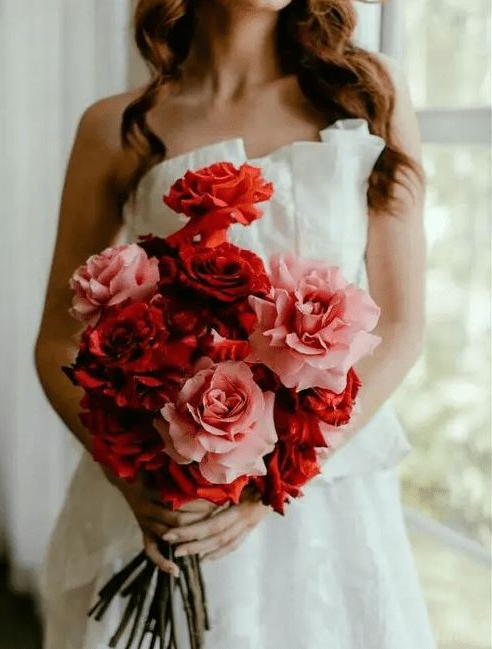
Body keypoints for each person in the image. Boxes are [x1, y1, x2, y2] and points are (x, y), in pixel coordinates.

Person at [35, 1, 437, 647]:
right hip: (169, 499)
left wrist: (272, 476)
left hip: (322, 496)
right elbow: (57, 337)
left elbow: (401, 325)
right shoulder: (114, 126)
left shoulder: (370, 95)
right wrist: (134, 480)